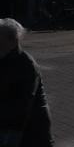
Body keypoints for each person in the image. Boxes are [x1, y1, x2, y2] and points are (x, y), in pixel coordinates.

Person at [0, 18, 51, 147]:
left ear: (11, 40)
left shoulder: (26, 64)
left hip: (27, 127)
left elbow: (22, 103)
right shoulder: (4, 57)